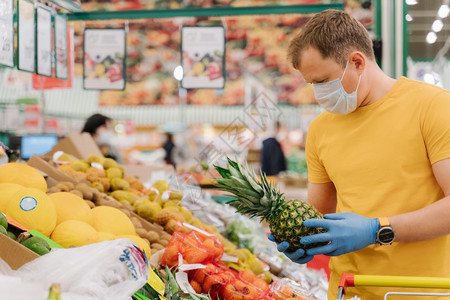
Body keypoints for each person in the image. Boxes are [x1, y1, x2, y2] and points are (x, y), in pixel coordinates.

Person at [268, 9, 450, 300]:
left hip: (421, 292)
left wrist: (376, 229)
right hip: (348, 291)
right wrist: (302, 242)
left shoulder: (433, 107)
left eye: (323, 81)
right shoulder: (320, 130)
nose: (318, 94)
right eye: (312, 84)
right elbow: (321, 215)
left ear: (356, 61)